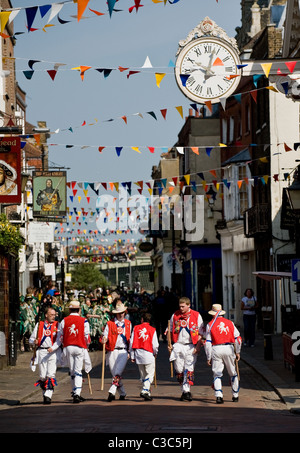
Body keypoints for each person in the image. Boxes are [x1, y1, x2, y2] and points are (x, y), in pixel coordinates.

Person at [168, 296, 204, 402]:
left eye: (183, 306)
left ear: (189, 305)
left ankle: (187, 391)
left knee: (189, 369)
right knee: (179, 370)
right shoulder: (175, 315)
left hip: (190, 345)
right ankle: (184, 391)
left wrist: (198, 346)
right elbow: (169, 330)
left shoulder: (196, 315)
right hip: (178, 345)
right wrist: (169, 344)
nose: (181, 308)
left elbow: (201, 332)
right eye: (180, 306)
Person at [204, 304, 242, 404]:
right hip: (228, 348)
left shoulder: (210, 324)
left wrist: (208, 357)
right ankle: (235, 395)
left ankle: (219, 396)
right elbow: (238, 339)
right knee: (233, 372)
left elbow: (207, 343)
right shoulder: (230, 323)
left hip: (216, 348)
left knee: (217, 373)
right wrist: (237, 351)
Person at [60, 300, 92, 403]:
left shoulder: (64, 320)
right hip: (79, 346)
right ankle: (77, 392)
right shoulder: (84, 321)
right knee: (78, 370)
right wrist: (86, 347)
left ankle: (75, 392)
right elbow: (87, 337)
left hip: (68, 347)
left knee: (72, 370)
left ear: (69, 310)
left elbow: (61, 336)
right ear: (79, 310)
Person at [29, 307, 61, 404]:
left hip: (52, 352)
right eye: (51, 315)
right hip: (42, 352)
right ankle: (45, 393)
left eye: (54, 315)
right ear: (46, 315)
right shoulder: (39, 325)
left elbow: (60, 340)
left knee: (50, 374)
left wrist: (54, 347)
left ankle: (48, 395)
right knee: (42, 376)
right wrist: (34, 342)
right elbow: (31, 339)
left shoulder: (57, 325)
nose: (53, 317)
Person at [101, 300, 132, 402]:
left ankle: (112, 391)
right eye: (119, 313)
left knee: (118, 372)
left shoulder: (128, 324)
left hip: (123, 351)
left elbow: (130, 338)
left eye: (122, 313)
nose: (120, 315)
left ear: (125, 313)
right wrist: (104, 339)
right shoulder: (110, 324)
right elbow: (105, 335)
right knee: (115, 373)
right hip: (112, 350)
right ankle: (122, 393)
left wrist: (130, 351)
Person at [129, 313, 159, 401]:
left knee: (143, 375)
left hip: (138, 353)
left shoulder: (136, 328)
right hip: (149, 353)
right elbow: (155, 345)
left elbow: (131, 342)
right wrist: (155, 352)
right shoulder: (152, 330)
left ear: (142, 319)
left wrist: (132, 355)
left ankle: (147, 393)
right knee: (150, 374)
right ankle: (145, 390)